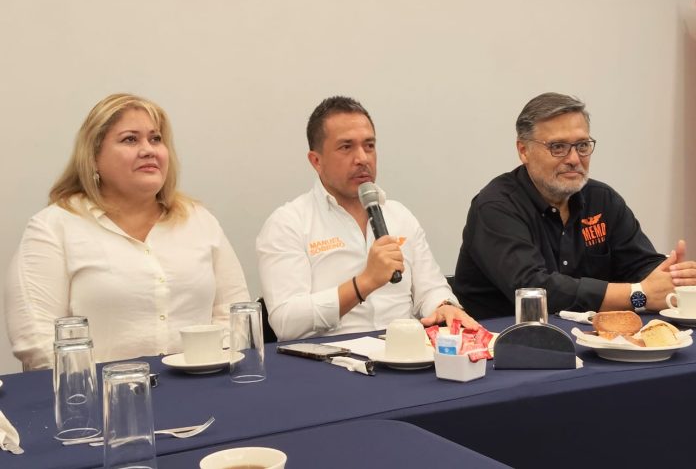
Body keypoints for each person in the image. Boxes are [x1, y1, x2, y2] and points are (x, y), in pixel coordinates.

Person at [5, 93, 250, 370]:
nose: (148, 150)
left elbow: (235, 316)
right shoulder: (53, 227)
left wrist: (212, 366)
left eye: (155, 139)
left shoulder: (199, 221)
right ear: (93, 157)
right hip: (99, 391)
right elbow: (37, 341)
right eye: (130, 140)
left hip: (203, 383)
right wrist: (99, 385)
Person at [452, 92, 696, 319]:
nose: (574, 159)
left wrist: (674, 278)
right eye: (557, 147)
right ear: (524, 150)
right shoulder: (496, 206)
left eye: (582, 146)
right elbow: (534, 289)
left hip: (594, 338)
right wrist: (637, 294)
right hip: (505, 342)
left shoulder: (603, 199)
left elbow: (640, 266)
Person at [256, 96, 477, 341]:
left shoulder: (399, 215)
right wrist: (364, 283)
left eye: (369, 145)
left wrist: (444, 305)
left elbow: (431, 288)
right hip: (329, 357)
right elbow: (286, 323)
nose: (362, 158)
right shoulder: (288, 224)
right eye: (346, 147)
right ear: (316, 161)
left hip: (403, 352)